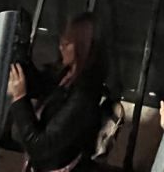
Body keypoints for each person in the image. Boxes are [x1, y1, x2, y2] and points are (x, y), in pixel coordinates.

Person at [8, 14, 110, 172]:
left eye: (68, 43)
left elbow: (40, 146)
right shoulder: (69, 72)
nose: (60, 46)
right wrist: (21, 50)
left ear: (83, 49)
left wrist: (20, 99)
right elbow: (39, 85)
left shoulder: (83, 96)